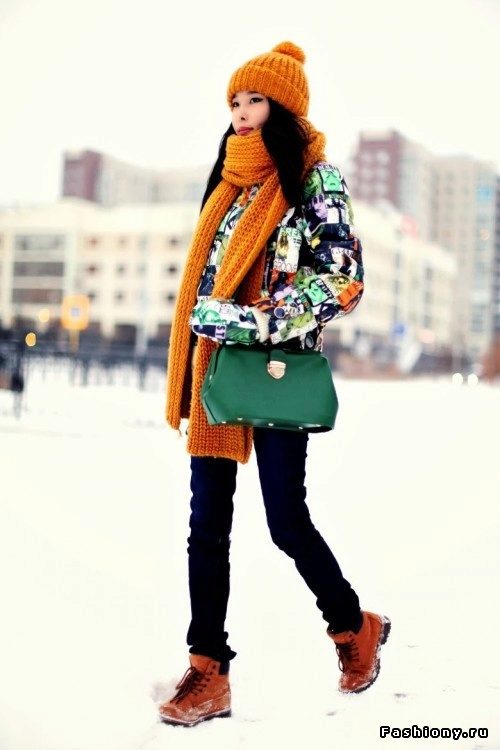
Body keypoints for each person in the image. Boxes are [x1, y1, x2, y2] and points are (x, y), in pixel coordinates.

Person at [160, 41, 390, 727]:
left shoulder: (315, 179)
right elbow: (207, 279)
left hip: (276, 368)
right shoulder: (227, 183)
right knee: (207, 524)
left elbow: (342, 280)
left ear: (283, 107)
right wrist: (208, 329)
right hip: (217, 372)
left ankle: (352, 626)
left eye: (254, 99)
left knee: (286, 520)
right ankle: (208, 668)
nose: (241, 111)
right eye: (234, 100)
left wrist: (253, 320)